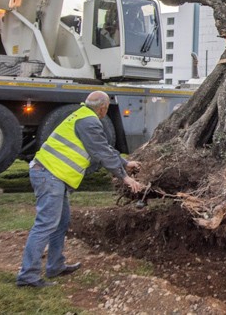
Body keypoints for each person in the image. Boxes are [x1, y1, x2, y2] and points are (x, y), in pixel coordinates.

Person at [16, 91, 144, 288]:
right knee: (46, 224)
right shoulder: (89, 122)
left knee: (61, 222)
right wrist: (125, 178)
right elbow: (101, 152)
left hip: (52, 175)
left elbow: (103, 147)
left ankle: (55, 266)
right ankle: (28, 276)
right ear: (103, 108)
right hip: (49, 175)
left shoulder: (81, 115)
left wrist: (125, 163)